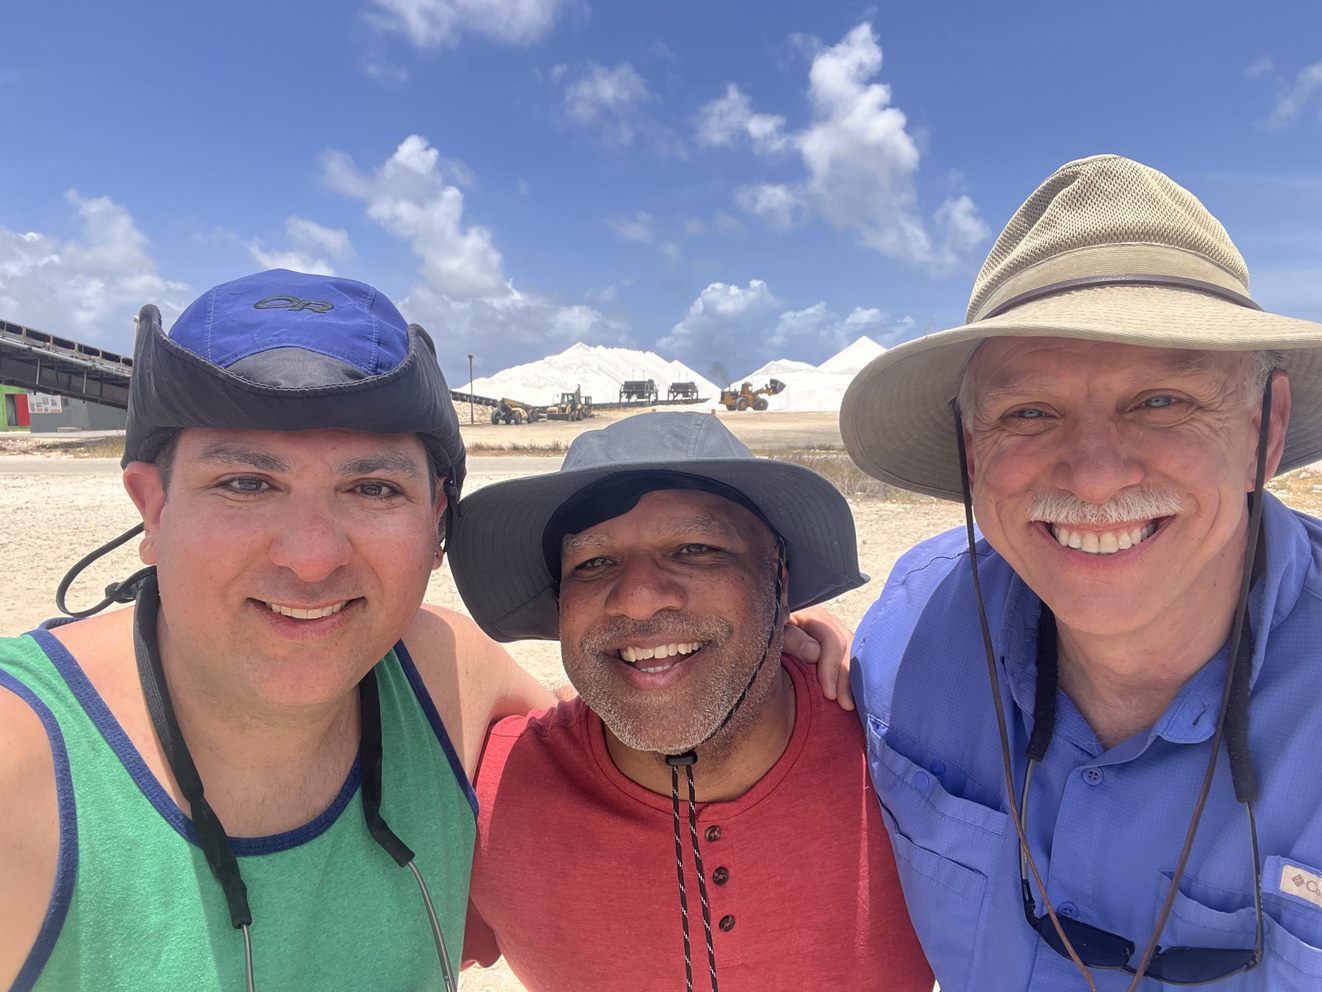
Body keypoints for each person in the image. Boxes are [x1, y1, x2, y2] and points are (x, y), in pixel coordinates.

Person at [839, 154, 1322, 990]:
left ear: (1265, 430)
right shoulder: (906, 634)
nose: (1095, 476)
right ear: (969, 452)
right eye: (1029, 412)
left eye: (1161, 400)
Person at [0, 270, 558, 991]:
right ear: (154, 509)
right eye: (246, 483)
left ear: (435, 525)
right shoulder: (24, 759)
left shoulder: (447, 675)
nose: (312, 556)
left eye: (373, 489)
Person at [449, 412, 934, 992]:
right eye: (594, 562)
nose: (638, 599)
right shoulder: (490, 801)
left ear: (778, 581)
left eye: (695, 548)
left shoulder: (910, 769)